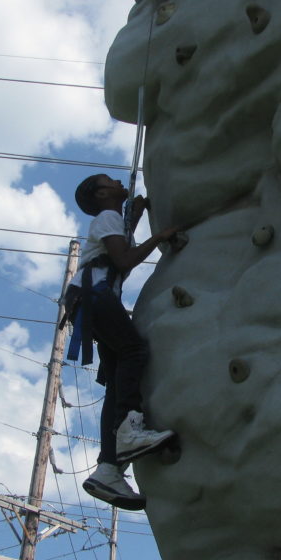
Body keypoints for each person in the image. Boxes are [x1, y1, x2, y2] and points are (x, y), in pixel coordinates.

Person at [67, 174, 179, 510]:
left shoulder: (114, 220)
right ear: (102, 194)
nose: (118, 180)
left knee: (117, 380)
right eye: (109, 181)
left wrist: (138, 214)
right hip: (95, 296)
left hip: (90, 300)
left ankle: (109, 468)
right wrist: (159, 236)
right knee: (133, 350)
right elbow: (124, 260)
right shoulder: (107, 217)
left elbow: (120, 244)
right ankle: (130, 428)